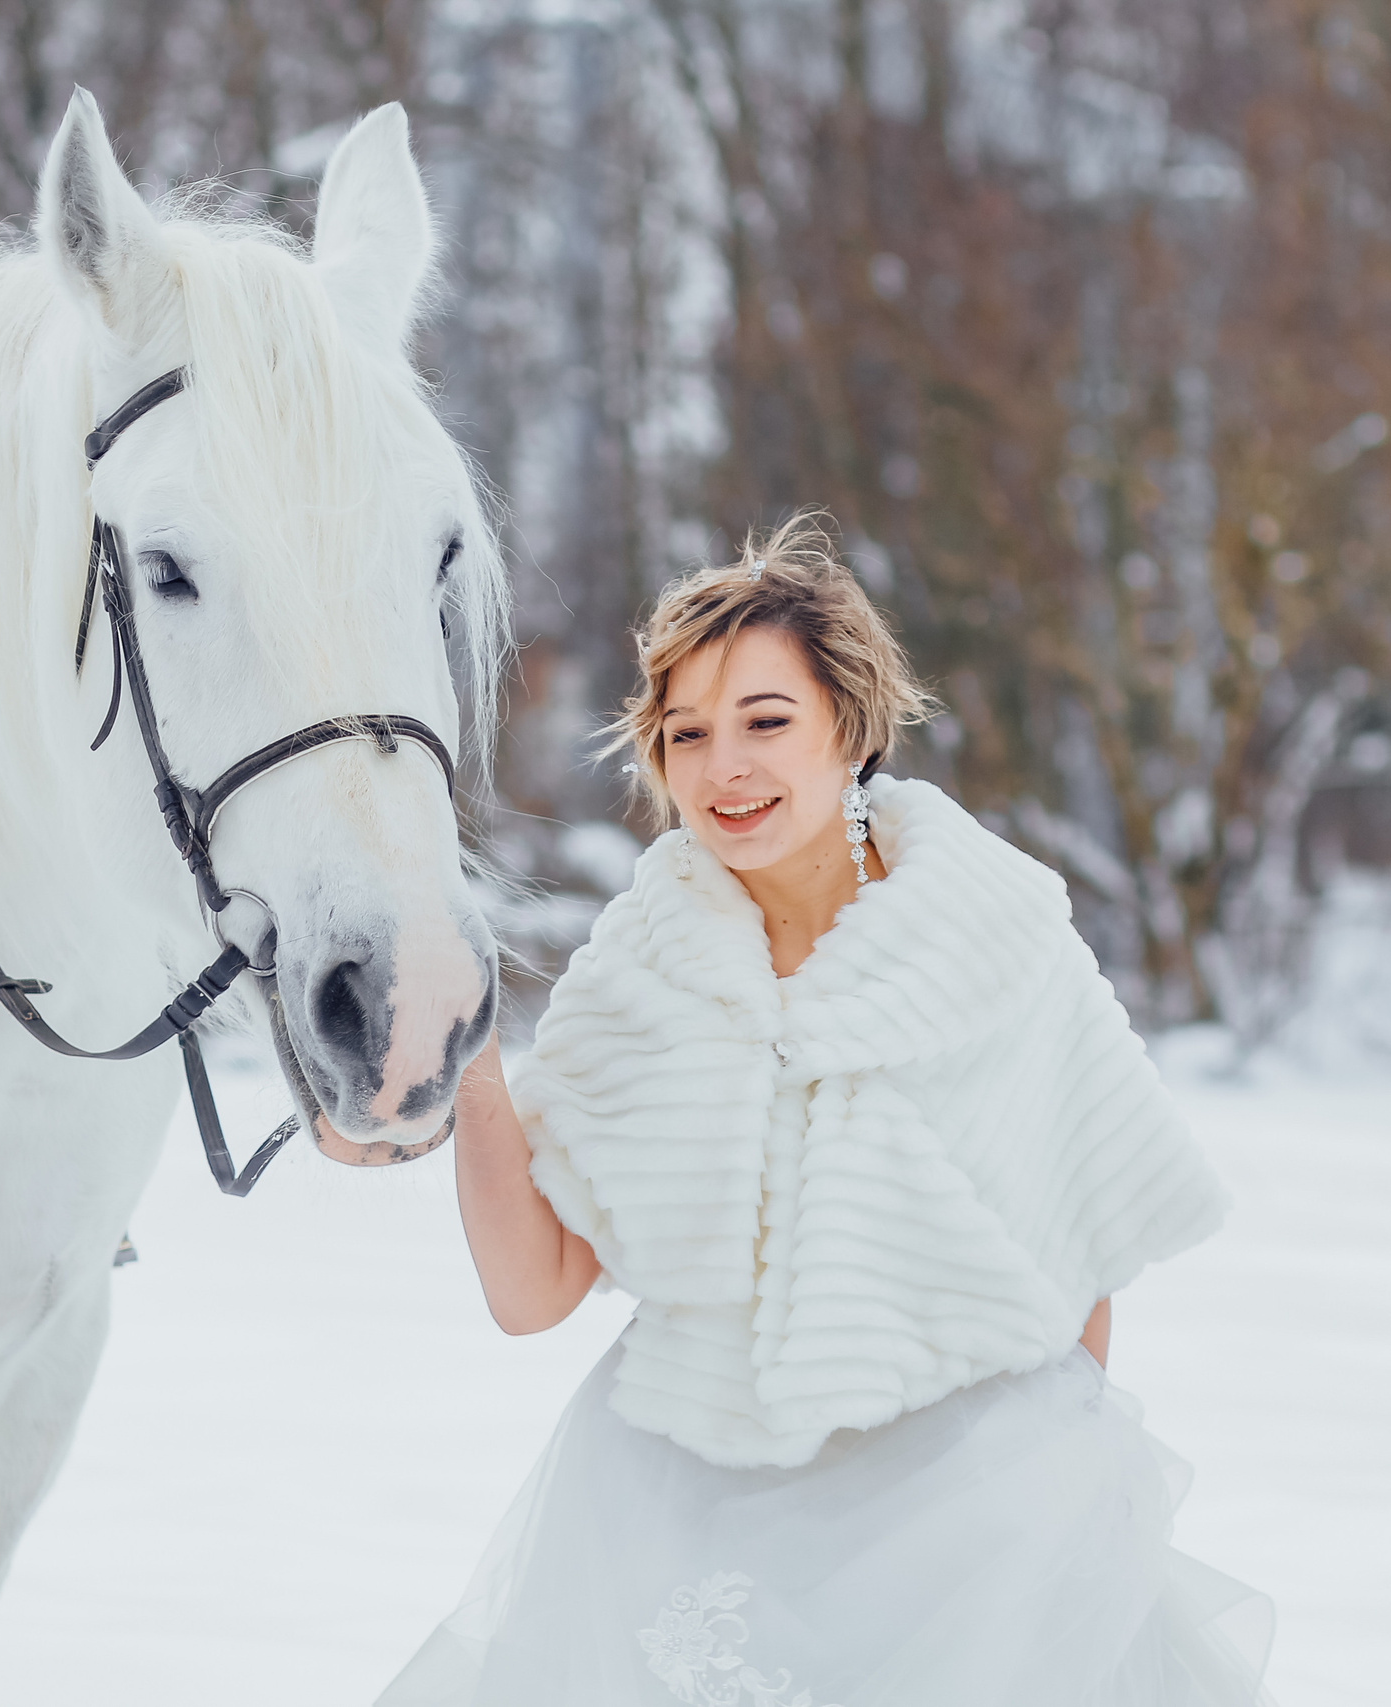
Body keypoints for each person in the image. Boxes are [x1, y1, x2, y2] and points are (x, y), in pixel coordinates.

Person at [378, 519, 1274, 1707]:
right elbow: (532, 1290)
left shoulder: (994, 937)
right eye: (684, 733)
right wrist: (476, 1053)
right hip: (690, 1522)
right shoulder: (636, 976)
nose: (722, 769)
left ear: (847, 727)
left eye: (764, 720)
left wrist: (1035, 1526)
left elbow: (1083, 1274)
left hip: (975, 1531)